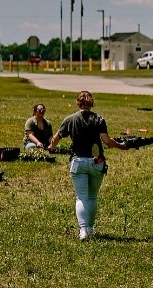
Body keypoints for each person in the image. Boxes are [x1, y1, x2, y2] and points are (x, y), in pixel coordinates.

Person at [47, 91, 135, 240]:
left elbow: (56, 139)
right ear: (91, 103)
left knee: (81, 197)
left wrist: (51, 147)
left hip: (78, 162)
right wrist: (121, 146)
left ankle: (83, 231)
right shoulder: (99, 119)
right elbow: (107, 141)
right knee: (92, 197)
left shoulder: (70, 119)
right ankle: (91, 228)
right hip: (96, 162)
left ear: (78, 103)